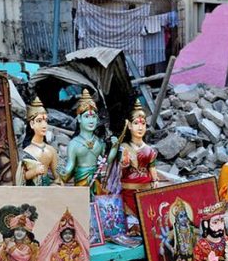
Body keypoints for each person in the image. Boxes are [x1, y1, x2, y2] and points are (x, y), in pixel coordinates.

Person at [60, 89, 118, 194]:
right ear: (79, 119)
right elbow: (70, 165)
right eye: (87, 116)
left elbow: (108, 160)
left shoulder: (99, 142)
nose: (91, 121)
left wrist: (114, 147)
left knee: (97, 204)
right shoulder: (74, 143)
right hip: (81, 181)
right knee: (82, 206)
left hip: (96, 179)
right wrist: (62, 173)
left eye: (94, 117)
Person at [116, 99, 159, 227]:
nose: (140, 127)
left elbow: (152, 167)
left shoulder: (149, 150)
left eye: (143, 124)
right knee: (131, 222)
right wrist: (124, 164)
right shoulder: (124, 148)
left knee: (147, 220)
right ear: (129, 125)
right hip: (128, 190)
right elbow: (119, 170)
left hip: (145, 190)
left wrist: (155, 180)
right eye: (136, 123)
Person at [16, 97, 62, 186]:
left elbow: (58, 177)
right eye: (39, 121)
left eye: (46, 121)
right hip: (31, 191)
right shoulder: (26, 150)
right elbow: (21, 177)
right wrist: (34, 171)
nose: (44, 125)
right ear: (32, 124)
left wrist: (56, 184)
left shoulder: (51, 150)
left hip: (46, 190)